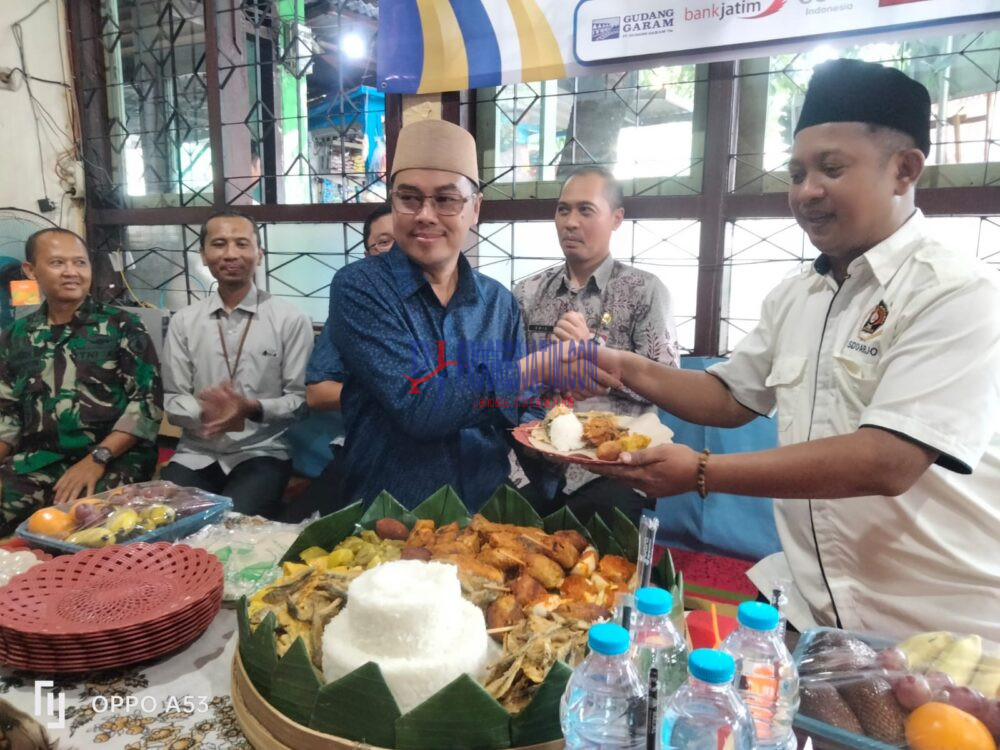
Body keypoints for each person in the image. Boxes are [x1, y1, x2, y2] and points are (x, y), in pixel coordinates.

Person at [575, 59, 1000, 638]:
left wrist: (702, 472)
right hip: (812, 611)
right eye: (796, 173)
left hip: (934, 628)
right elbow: (730, 398)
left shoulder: (956, 293)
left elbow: (889, 459)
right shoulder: (799, 295)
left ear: (904, 170)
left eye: (831, 169)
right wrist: (620, 365)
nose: (807, 192)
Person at [327, 120, 600, 510]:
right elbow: (419, 407)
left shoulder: (498, 302)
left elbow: (519, 405)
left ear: (475, 208)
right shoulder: (361, 288)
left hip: (485, 511)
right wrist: (536, 367)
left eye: (446, 199)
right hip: (390, 514)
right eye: (409, 198)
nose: (425, 214)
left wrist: (560, 412)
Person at [514, 166, 679, 524]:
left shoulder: (645, 291)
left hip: (615, 469)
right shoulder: (527, 293)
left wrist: (593, 363)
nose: (570, 222)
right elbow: (510, 378)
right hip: (535, 461)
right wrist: (550, 372)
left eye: (585, 210)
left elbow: (667, 386)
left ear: (616, 218)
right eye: (563, 210)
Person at [0, 228, 163, 535]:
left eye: (80, 262)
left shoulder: (123, 326)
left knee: (92, 528)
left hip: (113, 458)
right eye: (57, 263)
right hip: (38, 459)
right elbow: (5, 415)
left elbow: (146, 404)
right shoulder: (14, 337)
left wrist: (97, 458)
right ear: (31, 271)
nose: (71, 272)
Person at [161, 210, 313, 518]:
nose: (231, 254)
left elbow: (301, 401)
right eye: (219, 244)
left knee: (234, 524)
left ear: (260, 254)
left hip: (262, 451)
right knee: (164, 521)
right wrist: (206, 412)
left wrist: (251, 409)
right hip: (196, 452)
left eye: (242, 244)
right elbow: (173, 397)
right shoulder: (184, 322)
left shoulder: (290, 319)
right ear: (203, 255)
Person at [280, 204, 396, 521]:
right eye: (384, 241)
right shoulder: (350, 311)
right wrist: (398, 394)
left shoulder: (465, 307)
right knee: (298, 534)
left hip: (439, 455)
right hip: (362, 447)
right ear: (368, 255)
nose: (396, 250)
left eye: (404, 240)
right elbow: (318, 393)